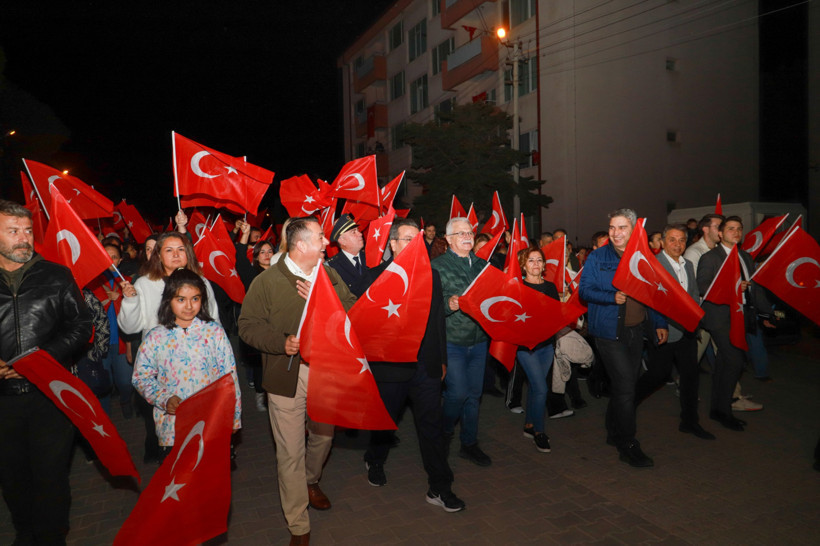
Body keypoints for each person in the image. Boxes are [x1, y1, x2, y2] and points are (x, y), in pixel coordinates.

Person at [239, 217, 356, 545]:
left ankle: (310, 480)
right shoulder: (268, 281)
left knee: (323, 438)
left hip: (325, 371)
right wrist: (282, 342)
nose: (325, 243)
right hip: (286, 374)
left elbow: (352, 310)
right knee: (290, 450)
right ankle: (298, 524)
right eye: (320, 237)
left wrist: (323, 298)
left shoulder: (328, 274)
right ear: (301, 244)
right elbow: (247, 326)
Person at [0, 199, 93, 544]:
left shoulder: (56, 275)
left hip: (50, 395)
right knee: (13, 478)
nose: (23, 238)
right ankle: (27, 533)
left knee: (51, 475)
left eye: (27, 230)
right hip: (3, 403)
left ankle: (53, 536)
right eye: (13, 231)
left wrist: (39, 360)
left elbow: (82, 324)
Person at [362, 219, 465, 512]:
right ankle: (376, 458)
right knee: (386, 422)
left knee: (431, 428)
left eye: (417, 240)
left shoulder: (431, 275)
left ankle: (440, 487)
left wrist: (442, 359)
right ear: (392, 244)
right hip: (390, 368)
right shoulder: (375, 277)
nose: (413, 245)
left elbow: (437, 322)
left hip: (425, 367)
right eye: (407, 239)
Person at [579, 208, 668, 468]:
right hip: (608, 332)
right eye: (612, 228)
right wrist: (611, 297)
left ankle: (613, 431)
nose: (616, 233)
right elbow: (585, 290)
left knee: (624, 387)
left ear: (633, 229)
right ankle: (628, 443)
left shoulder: (643, 256)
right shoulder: (598, 257)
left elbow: (653, 293)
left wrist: (659, 323)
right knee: (628, 386)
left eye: (622, 228)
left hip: (636, 330)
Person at [132, 269, 241, 461]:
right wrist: (164, 398)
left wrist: (234, 416)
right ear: (169, 300)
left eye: (195, 299)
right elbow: (141, 377)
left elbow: (229, 377)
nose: (189, 306)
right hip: (172, 427)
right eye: (181, 299)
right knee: (179, 486)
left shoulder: (214, 332)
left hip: (211, 421)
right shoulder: (156, 337)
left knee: (211, 483)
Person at [635, 224, 715, 440]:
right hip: (665, 331)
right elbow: (651, 300)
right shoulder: (654, 264)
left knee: (690, 377)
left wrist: (696, 321)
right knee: (657, 375)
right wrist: (659, 325)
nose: (677, 244)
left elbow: (693, 294)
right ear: (662, 241)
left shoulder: (688, 264)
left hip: (687, 331)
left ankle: (690, 422)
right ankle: (625, 404)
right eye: (672, 239)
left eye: (681, 240)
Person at [697, 216, 774, 431]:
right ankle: (725, 410)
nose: (736, 232)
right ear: (720, 234)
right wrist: (731, 287)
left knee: (724, 364)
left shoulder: (745, 257)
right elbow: (702, 286)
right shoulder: (711, 257)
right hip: (719, 318)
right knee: (735, 361)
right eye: (731, 229)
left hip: (741, 316)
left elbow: (754, 288)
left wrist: (768, 314)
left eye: (739, 229)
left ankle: (718, 409)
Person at [431, 217, 492, 467]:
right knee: (457, 393)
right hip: (452, 341)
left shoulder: (483, 265)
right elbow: (431, 304)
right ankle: (443, 434)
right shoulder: (436, 266)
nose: (468, 236)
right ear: (448, 239)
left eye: (470, 232)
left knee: (474, 395)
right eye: (461, 233)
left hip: (479, 341)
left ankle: (469, 444)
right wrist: (449, 304)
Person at [516, 248, 560, 453]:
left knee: (536, 387)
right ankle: (539, 432)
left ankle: (528, 424)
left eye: (539, 260)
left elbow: (556, 315)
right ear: (523, 265)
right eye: (531, 260)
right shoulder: (516, 287)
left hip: (546, 345)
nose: (535, 264)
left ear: (544, 264)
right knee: (542, 388)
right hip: (526, 347)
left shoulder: (550, 287)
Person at [87, 242, 134, 417]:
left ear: (120, 259)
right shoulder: (91, 283)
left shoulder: (128, 282)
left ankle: (125, 399)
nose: (110, 260)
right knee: (102, 382)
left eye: (114, 257)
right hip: (100, 344)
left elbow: (136, 311)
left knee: (125, 381)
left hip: (122, 342)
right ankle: (104, 418)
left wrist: (122, 297)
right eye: (105, 256)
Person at [326, 213, 372, 297]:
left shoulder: (372, 256)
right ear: (342, 240)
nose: (360, 234)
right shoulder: (331, 267)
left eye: (358, 230)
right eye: (353, 232)